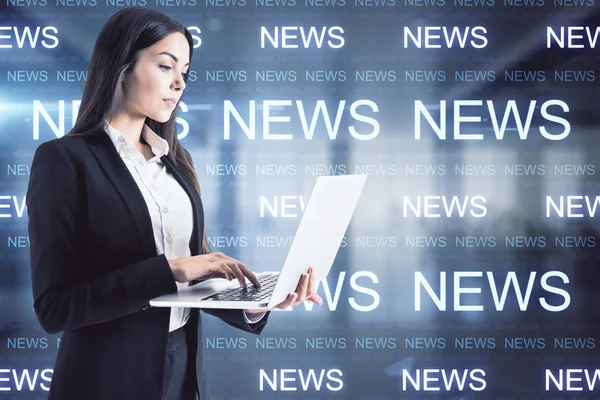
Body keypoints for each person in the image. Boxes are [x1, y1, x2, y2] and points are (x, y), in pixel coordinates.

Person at [26, 7, 323, 400]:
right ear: (121, 64)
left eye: (185, 71)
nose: (179, 82)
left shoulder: (176, 161)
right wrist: (173, 269)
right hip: (105, 378)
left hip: (182, 369)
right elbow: (55, 308)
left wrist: (258, 303)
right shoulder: (64, 160)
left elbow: (192, 280)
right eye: (166, 66)